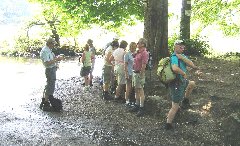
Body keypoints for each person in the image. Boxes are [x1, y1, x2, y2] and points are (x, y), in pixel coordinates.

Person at [165, 40, 200, 130]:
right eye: (180, 46)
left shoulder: (182, 56)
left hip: (182, 81)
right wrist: (183, 73)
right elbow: (175, 68)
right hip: (176, 83)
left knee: (192, 84)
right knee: (175, 106)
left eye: (183, 47)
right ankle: (168, 124)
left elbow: (192, 65)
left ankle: (185, 101)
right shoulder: (174, 57)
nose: (182, 48)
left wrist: (182, 58)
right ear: (175, 46)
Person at [39, 37, 64, 111]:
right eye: (53, 44)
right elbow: (47, 62)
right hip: (49, 70)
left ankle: (46, 101)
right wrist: (57, 59)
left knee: (50, 85)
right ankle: (46, 102)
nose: (54, 46)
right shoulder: (45, 51)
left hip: (52, 69)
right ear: (50, 43)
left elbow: (51, 60)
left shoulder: (48, 50)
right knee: (50, 85)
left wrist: (56, 58)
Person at [129, 38, 149, 117]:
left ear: (143, 44)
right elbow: (132, 57)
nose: (137, 44)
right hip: (135, 72)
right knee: (136, 90)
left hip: (139, 73)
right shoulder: (138, 52)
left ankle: (141, 107)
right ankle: (136, 105)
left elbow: (144, 65)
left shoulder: (144, 53)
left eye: (138, 43)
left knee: (140, 90)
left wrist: (141, 74)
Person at [124, 42, 137, 106]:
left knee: (134, 87)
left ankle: (133, 100)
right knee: (128, 87)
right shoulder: (127, 54)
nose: (134, 48)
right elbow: (125, 65)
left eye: (135, 47)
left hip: (135, 73)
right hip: (129, 72)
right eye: (132, 47)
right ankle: (127, 100)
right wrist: (126, 73)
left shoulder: (137, 53)